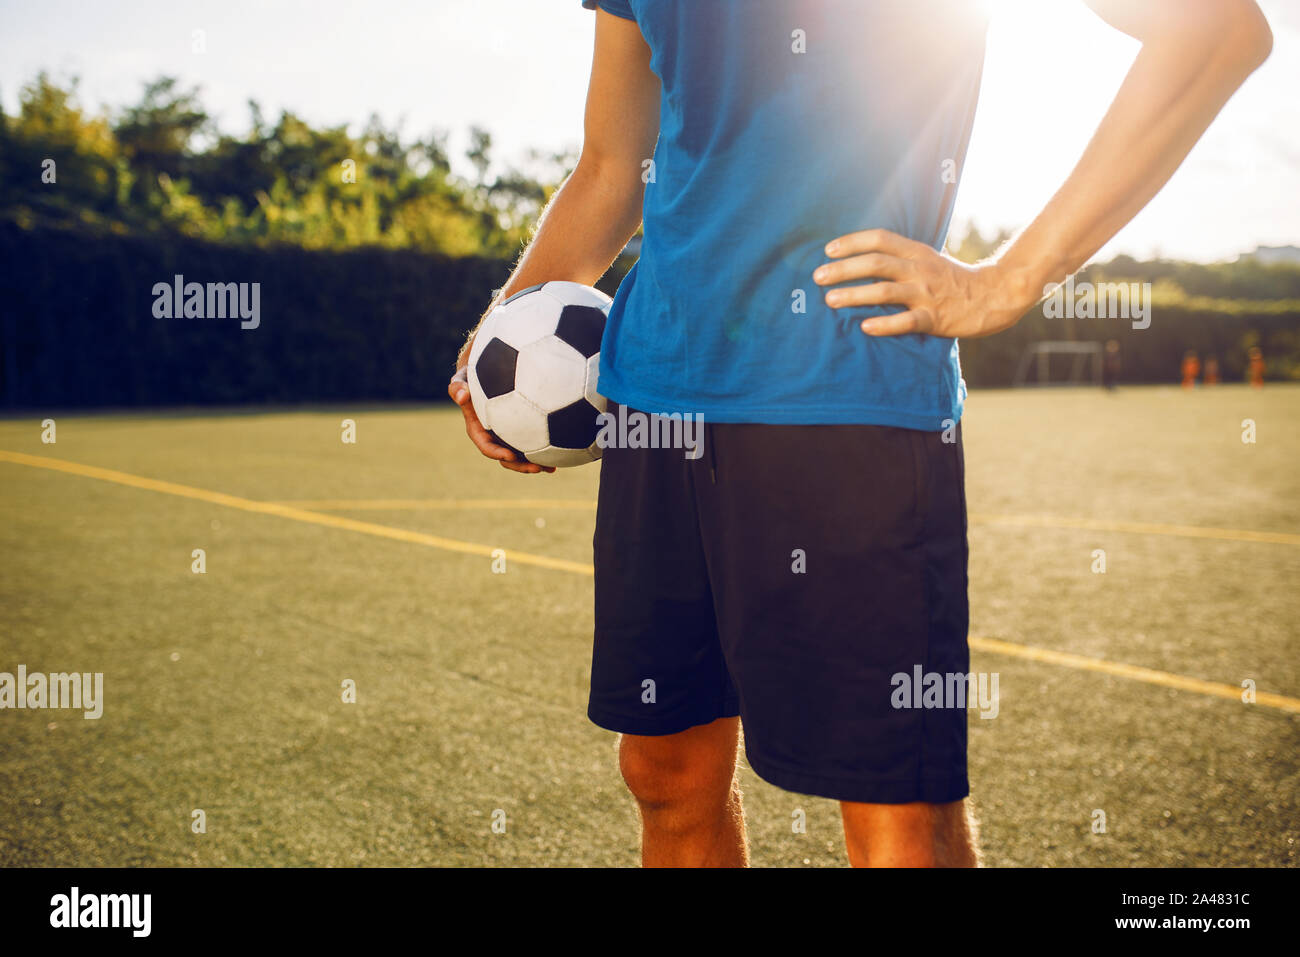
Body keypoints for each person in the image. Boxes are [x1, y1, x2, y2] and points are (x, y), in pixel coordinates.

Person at [448, 0, 1272, 867]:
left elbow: (1215, 30)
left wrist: (1008, 281)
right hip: (655, 401)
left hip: (847, 399)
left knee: (897, 817)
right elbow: (614, 163)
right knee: (666, 771)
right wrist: (498, 333)